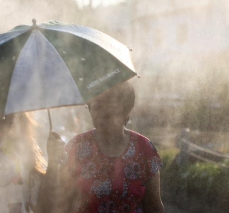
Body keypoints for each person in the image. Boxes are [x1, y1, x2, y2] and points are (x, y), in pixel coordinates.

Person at [58, 82, 164, 213]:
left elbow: (154, 207)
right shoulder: (77, 147)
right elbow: (63, 203)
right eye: (96, 107)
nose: (102, 113)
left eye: (110, 108)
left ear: (126, 111)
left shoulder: (144, 149)